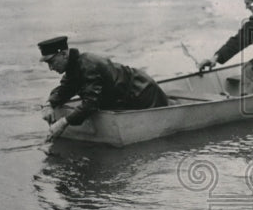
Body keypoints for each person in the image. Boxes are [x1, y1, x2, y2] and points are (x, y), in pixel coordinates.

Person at [39, 36, 168, 139]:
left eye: (51, 62)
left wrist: (63, 123)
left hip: (143, 93)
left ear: (63, 54)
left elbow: (91, 104)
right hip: (126, 94)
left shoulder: (88, 65)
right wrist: (49, 104)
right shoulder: (74, 66)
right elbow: (65, 89)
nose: (50, 68)